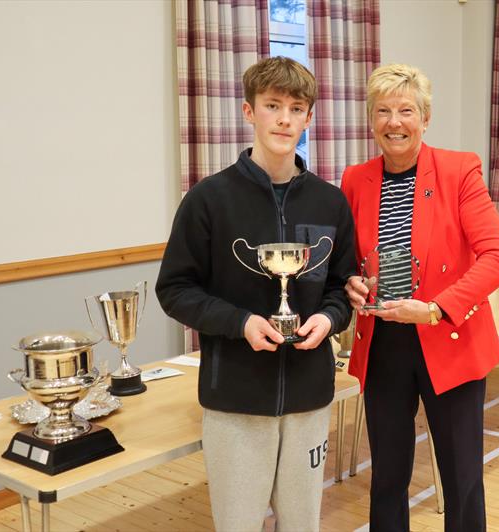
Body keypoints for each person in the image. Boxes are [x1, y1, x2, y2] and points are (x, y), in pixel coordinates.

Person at [156, 56, 356, 532]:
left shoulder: (330, 201)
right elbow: (175, 289)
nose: (284, 119)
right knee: (238, 525)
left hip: (309, 397)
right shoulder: (208, 199)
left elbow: (341, 287)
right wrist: (240, 322)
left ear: (309, 118)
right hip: (235, 399)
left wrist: (328, 319)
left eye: (296, 108)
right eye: (272, 105)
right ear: (249, 111)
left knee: (302, 524)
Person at [341, 64, 499, 531]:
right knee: (387, 477)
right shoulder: (355, 178)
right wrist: (350, 282)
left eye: (406, 111)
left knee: (461, 479)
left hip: (448, 338)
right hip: (383, 345)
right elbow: (349, 258)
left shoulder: (459, 170)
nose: (394, 122)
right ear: (371, 119)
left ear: (425, 117)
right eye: (383, 111)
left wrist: (437, 309)